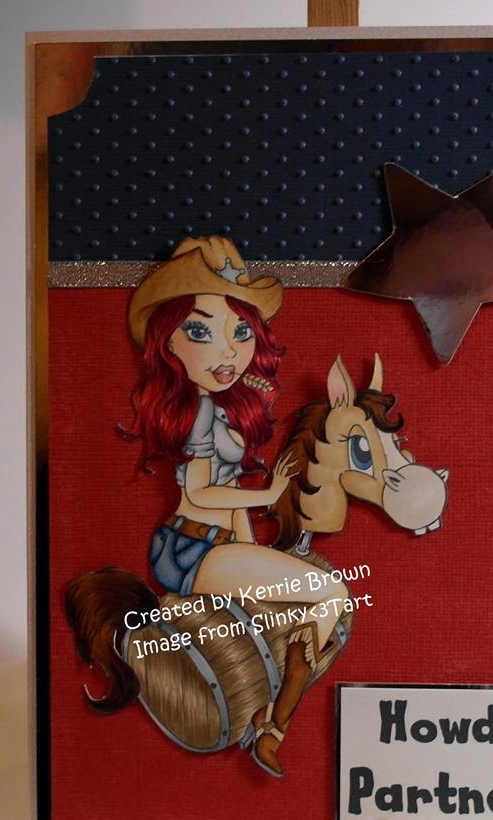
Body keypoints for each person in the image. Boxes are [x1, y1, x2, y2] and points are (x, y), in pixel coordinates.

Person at [124, 236, 348, 777]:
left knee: (314, 606)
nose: (228, 352)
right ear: (167, 342)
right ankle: (273, 726)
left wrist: (254, 551)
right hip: (190, 549)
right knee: (332, 594)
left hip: (218, 545)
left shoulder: (223, 410)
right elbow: (199, 493)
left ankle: (269, 725)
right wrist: (268, 495)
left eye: (241, 332)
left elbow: (230, 507)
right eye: (201, 331)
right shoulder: (198, 412)